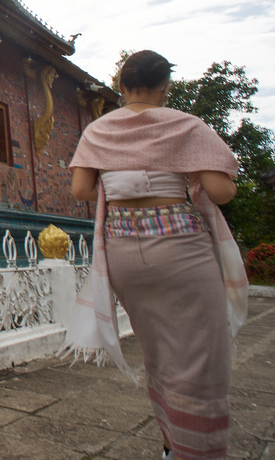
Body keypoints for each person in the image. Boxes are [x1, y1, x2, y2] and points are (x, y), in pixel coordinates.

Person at [64, 50, 247, 460]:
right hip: (181, 248)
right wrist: (192, 173)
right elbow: (219, 192)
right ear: (165, 87)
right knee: (201, 362)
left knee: (160, 355)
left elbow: (80, 190)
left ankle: (170, 445)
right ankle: (198, 451)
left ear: (120, 87)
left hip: (125, 251)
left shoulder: (99, 130)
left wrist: (123, 183)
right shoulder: (186, 125)